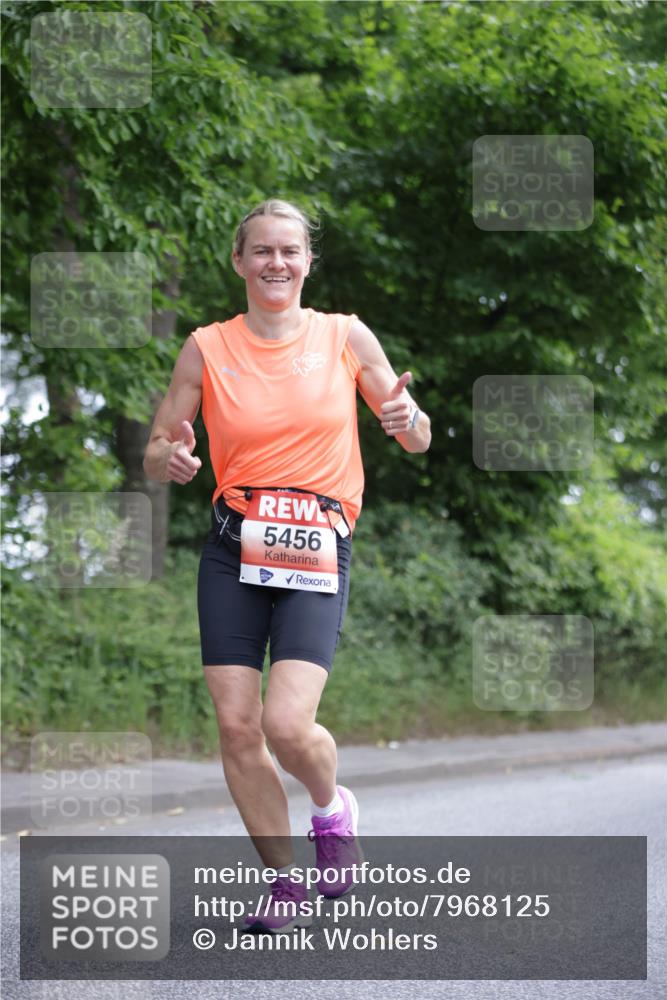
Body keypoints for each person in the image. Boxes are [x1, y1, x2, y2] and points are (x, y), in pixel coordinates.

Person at [143, 199, 431, 932]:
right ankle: (281, 885)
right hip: (233, 543)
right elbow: (156, 446)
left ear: (307, 262)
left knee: (286, 723)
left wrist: (407, 421)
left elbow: (413, 431)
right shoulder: (206, 346)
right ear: (238, 262)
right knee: (238, 727)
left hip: (316, 543)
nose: (276, 263)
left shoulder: (342, 335)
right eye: (261, 251)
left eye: (289, 251)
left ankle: (331, 811)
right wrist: (169, 458)